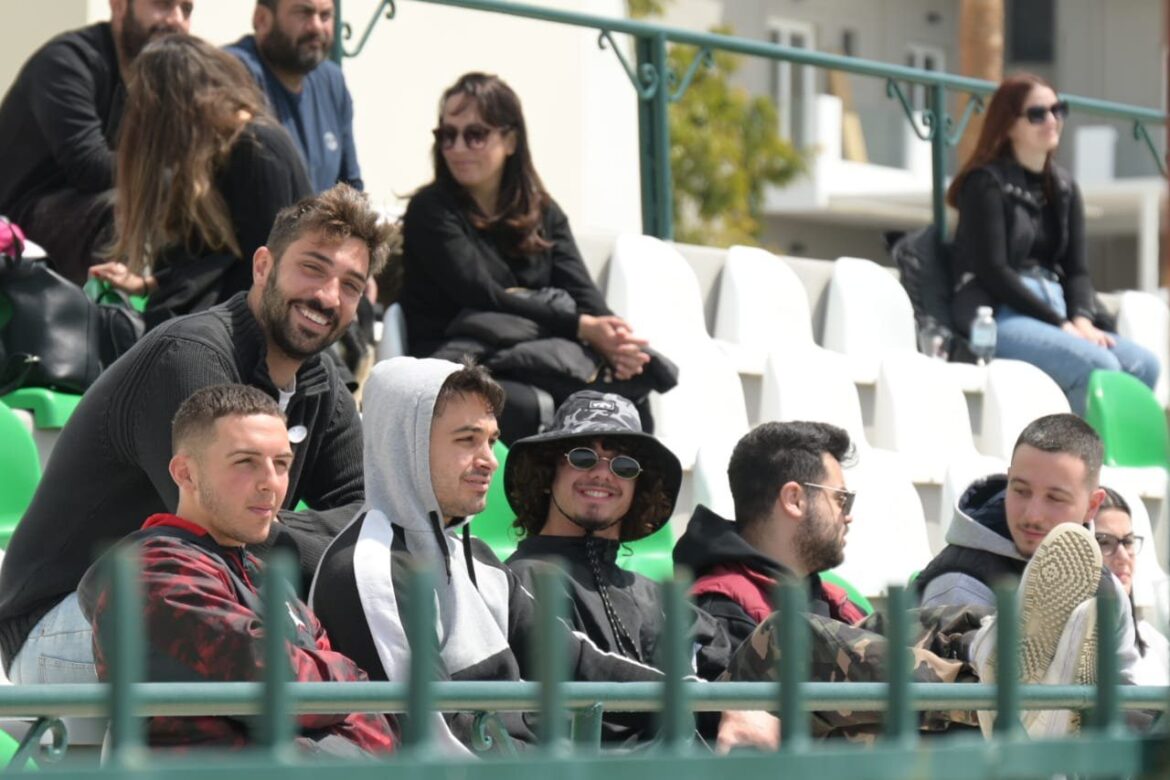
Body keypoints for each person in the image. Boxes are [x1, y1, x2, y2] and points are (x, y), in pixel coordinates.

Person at [0, 184, 396, 685]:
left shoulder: (321, 381)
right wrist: (282, 529)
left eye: (351, 285)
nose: (327, 296)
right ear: (263, 266)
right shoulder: (189, 357)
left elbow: (370, 520)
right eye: (312, 268)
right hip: (66, 619)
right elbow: (222, 529)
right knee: (272, 649)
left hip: (209, 597)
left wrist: (273, 526)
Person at [311, 358, 666, 751]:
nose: (490, 460)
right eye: (467, 440)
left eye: (492, 441)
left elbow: (577, 662)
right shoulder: (370, 567)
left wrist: (701, 707)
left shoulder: (478, 558)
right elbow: (440, 739)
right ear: (405, 443)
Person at [77, 385, 396, 755]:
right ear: (185, 473)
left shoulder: (263, 576)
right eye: (246, 462)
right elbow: (277, 680)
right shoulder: (153, 572)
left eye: (282, 464)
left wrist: (338, 693)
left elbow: (362, 713)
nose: (270, 482)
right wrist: (348, 682)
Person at [397, 72, 673, 444]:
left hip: (531, 356)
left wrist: (616, 341)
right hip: (457, 359)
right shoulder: (430, 210)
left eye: (475, 135)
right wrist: (581, 327)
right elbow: (484, 294)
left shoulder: (543, 213)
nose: (457, 147)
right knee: (526, 407)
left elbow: (583, 291)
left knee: (629, 403)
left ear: (510, 140)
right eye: (447, 135)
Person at [717, 521, 1107, 747]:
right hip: (715, 721)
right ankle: (992, 693)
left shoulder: (818, 590)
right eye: (841, 498)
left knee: (905, 629)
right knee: (788, 636)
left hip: (802, 723)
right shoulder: (717, 592)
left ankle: (986, 650)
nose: (846, 514)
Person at [948, 73, 1159, 414]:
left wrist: (1082, 319)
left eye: (1058, 110)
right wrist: (1059, 323)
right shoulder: (984, 184)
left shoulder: (1064, 187)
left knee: (1143, 366)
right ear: (1009, 125)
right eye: (1037, 114)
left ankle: (1109, 447)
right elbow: (993, 270)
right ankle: (1078, 449)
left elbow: (1077, 270)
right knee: (1099, 366)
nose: (1051, 120)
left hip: (1056, 308)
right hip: (1000, 313)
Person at [502, 391, 731, 704]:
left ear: (639, 487)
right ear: (547, 472)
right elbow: (580, 676)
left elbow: (725, 665)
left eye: (624, 465)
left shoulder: (655, 596)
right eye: (583, 457)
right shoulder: (521, 580)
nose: (601, 473)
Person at [89, 34, 311, 330]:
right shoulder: (218, 153)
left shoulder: (256, 148)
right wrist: (148, 284)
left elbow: (267, 271)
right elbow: (216, 259)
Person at [915, 413, 1139, 678]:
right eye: (1021, 491)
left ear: (1092, 505)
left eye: (1054, 498)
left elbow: (1123, 687)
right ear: (1008, 480)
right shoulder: (959, 582)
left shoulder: (1108, 587)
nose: (1033, 515)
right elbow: (948, 694)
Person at [0, 0, 193, 285]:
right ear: (119, 6)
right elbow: (89, 166)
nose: (176, 19)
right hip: (22, 220)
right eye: (162, 4)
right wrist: (178, 179)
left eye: (187, 9)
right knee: (126, 205)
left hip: (87, 211)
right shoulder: (68, 61)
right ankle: (111, 311)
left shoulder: (168, 80)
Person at [673, 421, 867, 654]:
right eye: (841, 499)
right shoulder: (720, 615)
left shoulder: (838, 603)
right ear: (794, 499)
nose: (847, 516)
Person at [227, 0, 362, 193]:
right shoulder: (231, 75)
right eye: (304, 13)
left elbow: (351, 188)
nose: (316, 26)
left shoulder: (332, 81)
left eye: (325, 15)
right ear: (262, 19)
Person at [1094, 487, 1170, 686]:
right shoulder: (1060, 643)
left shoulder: (1156, 644)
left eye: (1127, 542)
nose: (1123, 557)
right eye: (1104, 542)